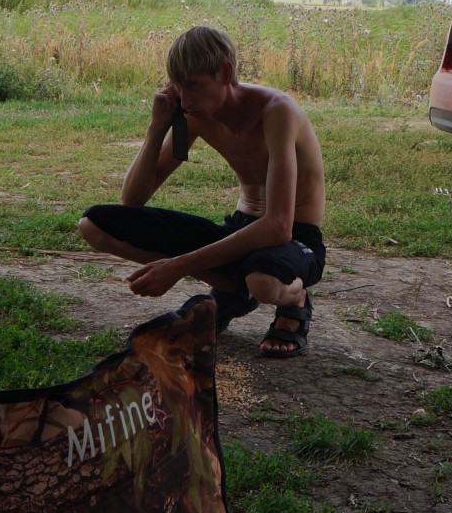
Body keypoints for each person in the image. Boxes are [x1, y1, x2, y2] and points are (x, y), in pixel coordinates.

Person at [78, 26, 326, 358]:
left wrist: (176, 266)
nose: (184, 99)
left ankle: (295, 298)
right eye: (177, 87)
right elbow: (133, 199)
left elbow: (278, 226)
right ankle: (234, 291)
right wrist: (157, 128)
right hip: (241, 228)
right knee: (95, 225)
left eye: (193, 85)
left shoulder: (276, 111)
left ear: (225, 73)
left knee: (263, 281)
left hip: (294, 237)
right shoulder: (193, 115)